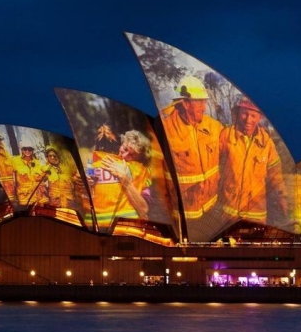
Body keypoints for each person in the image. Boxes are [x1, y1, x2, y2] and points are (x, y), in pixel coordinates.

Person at [161, 75, 222, 237]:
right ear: (186, 104)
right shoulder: (165, 131)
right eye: (200, 102)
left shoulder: (214, 127)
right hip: (183, 216)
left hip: (210, 209)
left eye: (205, 102)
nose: (204, 107)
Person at [218, 96, 288, 227]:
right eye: (244, 113)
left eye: (253, 115)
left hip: (256, 213)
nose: (248, 120)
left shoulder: (266, 142)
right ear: (238, 113)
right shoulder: (226, 135)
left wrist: (281, 197)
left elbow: (275, 174)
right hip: (230, 213)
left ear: (259, 117)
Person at [90, 129, 153, 229]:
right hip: (95, 225)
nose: (124, 155)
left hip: (126, 228)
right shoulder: (101, 158)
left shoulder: (141, 171)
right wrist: (88, 177)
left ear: (140, 159)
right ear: (122, 143)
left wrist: (124, 177)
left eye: (132, 155)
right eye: (125, 148)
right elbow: (90, 170)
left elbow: (144, 209)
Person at [11, 144, 48, 208]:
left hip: (39, 198)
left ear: (32, 151)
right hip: (24, 198)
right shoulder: (15, 161)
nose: (27, 151)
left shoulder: (38, 162)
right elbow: (11, 179)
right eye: (25, 149)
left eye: (30, 149)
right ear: (22, 150)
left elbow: (46, 174)